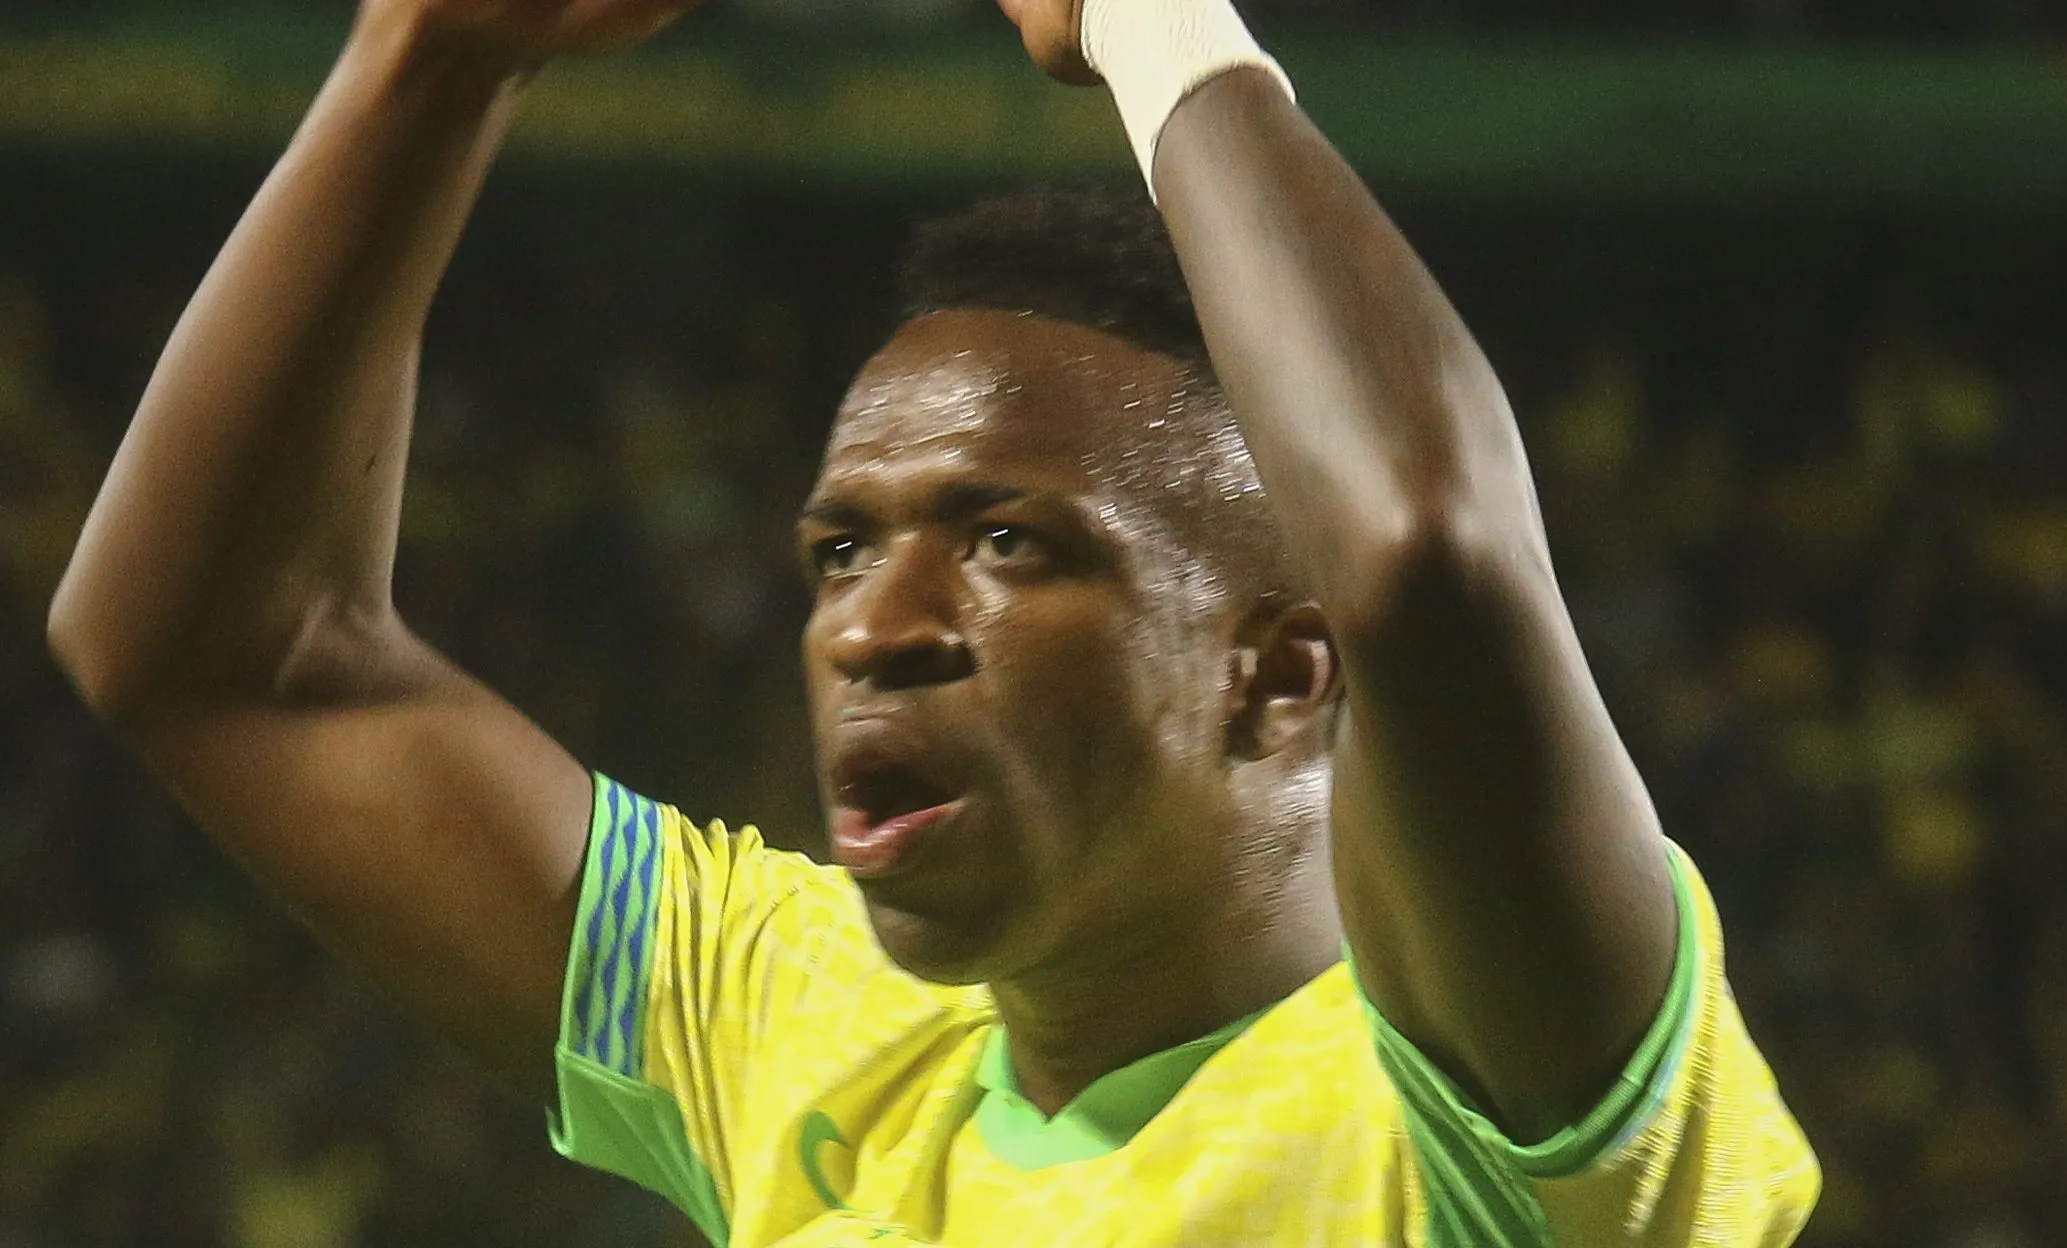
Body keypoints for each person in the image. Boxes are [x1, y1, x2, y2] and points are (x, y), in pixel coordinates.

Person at [45, 0, 1821, 1242]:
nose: (871, 628)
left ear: (1277, 672)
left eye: (1011, 544)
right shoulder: (799, 1028)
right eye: (836, 549)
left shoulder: (1517, 1108)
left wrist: (1160, 26)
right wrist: (430, 56)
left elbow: (1423, 555)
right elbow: (226, 660)